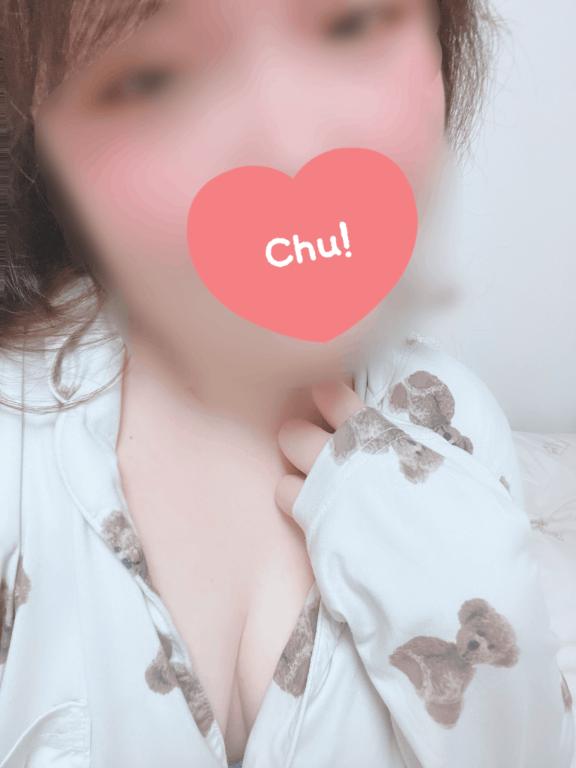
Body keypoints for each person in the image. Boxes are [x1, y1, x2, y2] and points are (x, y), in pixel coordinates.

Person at [1, 1, 573, 766]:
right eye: (153, 73)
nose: (288, 140)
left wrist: (464, 595)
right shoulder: (19, 441)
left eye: (349, 25)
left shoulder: (453, 420)